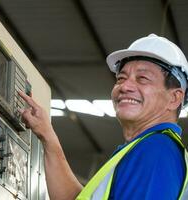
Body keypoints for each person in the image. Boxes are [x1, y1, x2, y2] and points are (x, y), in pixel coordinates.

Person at [18, 34, 188, 200]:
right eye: (121, 78)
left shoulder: (156, 149)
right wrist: (48, 137)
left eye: (142, 78)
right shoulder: (141, 149)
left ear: (174, 98)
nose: (125, 86)